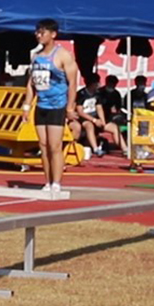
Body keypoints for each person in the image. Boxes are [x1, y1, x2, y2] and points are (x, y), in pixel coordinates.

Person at [24, 19, 78, 193]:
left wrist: (70, 107)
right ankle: (47, 181)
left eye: (43, 32)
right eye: (37, 32)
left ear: (53, 34)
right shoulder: (36, 56)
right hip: (41, 105)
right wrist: (26, 107)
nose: (39, 35)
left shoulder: (63, 55)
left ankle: (57, 182)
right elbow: (31, 84)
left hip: (57, 105)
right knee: (43, 145)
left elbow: (73, 83)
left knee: (55, 146)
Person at [71, 75, 119, 156]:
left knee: (114, 127)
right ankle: (95, 148)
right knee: (89, 126)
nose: (99, 84)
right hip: (84, 119)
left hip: (96, 118)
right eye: (97, 83)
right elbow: (80, 112)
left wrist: (102, 120)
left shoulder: (97, 94)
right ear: (92, 84)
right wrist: (94, 120)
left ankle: (125, 149)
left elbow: (99, 108)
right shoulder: (81, 94)